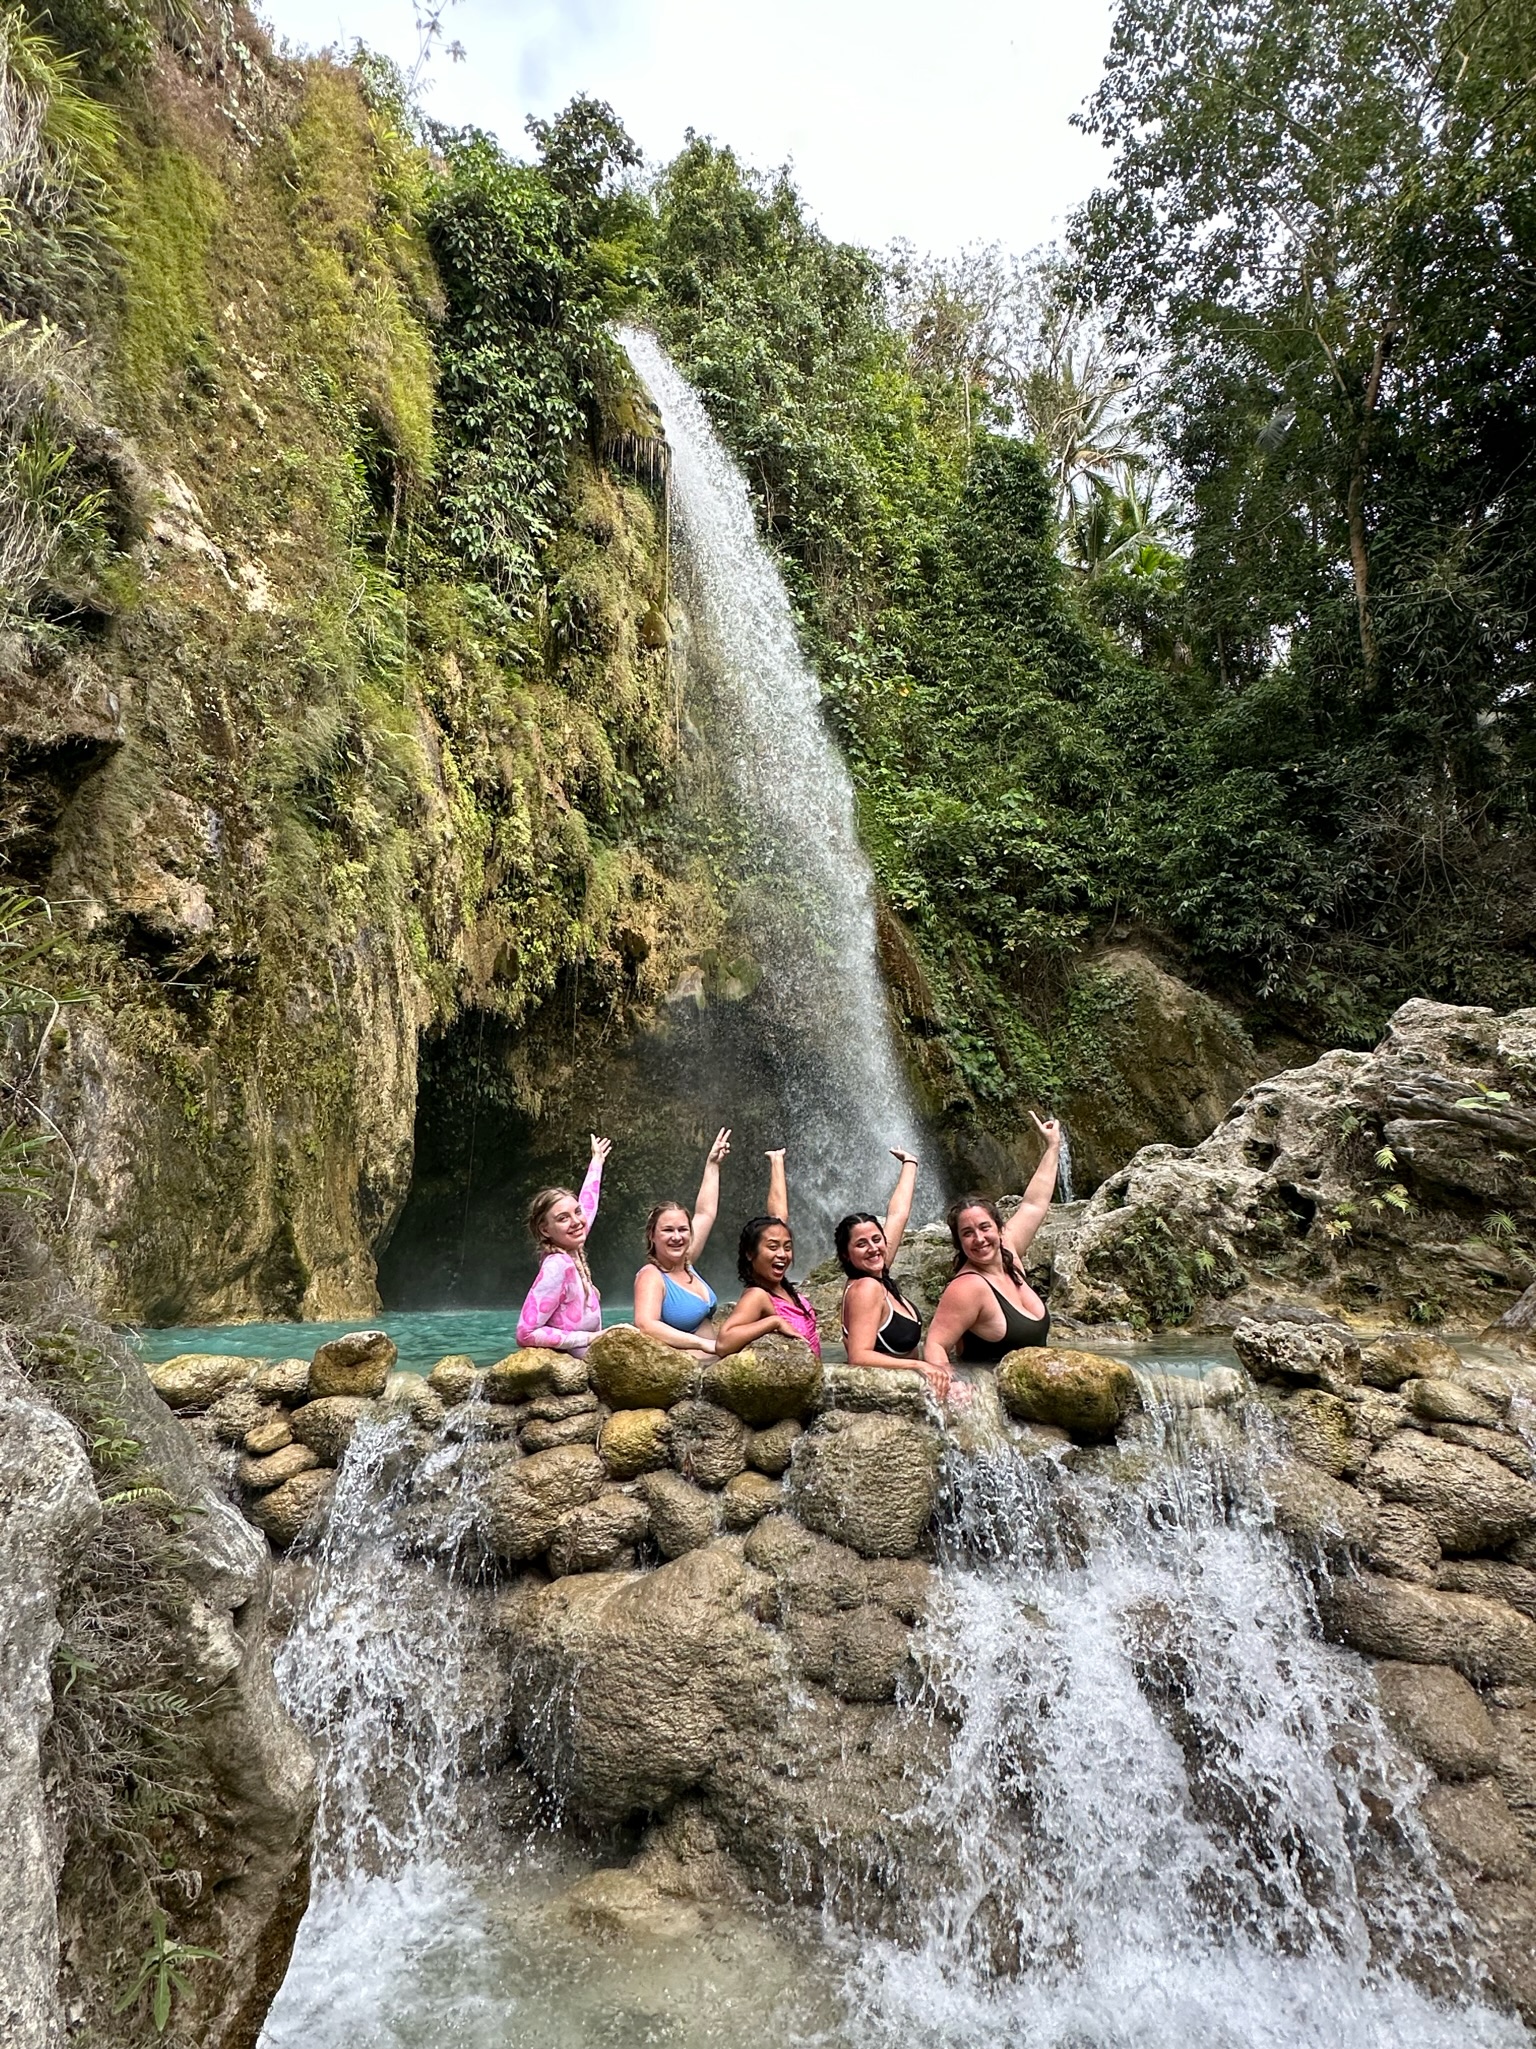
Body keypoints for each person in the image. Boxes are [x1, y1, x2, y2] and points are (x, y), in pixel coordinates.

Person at [923, 1113, 1062, 1393]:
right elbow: (935, 1343)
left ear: (999, 1229)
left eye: (984, 1227)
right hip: (995, 1399)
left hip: (1034, 1394)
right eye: (967, 1233)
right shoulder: (967, 1288)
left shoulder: (1009, 1253)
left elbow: (1034, 1204)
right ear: (959, 1242)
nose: (979, 1239)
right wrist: (951, 1385)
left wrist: (1052, 1146)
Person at [714, 1148, 822, 1359]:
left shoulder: (781, 1288)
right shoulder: (757, 1295)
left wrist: (777, 1162)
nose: (782, 1254)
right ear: (750, 1254)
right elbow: (723, 1343)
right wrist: (774, 1322)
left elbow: (778, 1219)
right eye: (772, 1247)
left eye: (787, 1247)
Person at [632, 1128, 732, 1354]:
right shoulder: (651, 1276)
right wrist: (702, 1344)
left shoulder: (686, 1262)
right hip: (687, 1372)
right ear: (652, 1235)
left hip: (711, 1366)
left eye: (683, 1229)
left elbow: (705, 1213)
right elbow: (646, 1325)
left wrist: (712, 1165)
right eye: (668, 1230)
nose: (677, 1237)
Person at [517, 1135, 612, 1356]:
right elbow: (525, 1333)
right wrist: (593, 1338)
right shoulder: (557, 1265)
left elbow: (588, 1205)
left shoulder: (571, 1248)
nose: (577, 1221)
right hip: (574, 1369)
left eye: (577, 1212)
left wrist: (597, 1161)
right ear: (545, 1230)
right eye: (563, 1218)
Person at [836, 1148, 927, 1374]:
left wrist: (910, 1163)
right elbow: (859, 1356)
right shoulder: (866, 1288)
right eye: (861, 1244)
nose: (873, 1248)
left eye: (877, 1239)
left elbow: (898, 1215)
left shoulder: (877, 1274)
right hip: (889, 1389)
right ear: (846, 1254)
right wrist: (919, 1364)